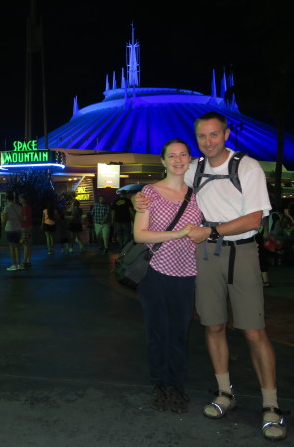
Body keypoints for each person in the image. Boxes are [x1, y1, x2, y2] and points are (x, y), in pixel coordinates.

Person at [135, 111, 287, 441]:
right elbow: (167, 177)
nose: (208, 142)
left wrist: (212, 230)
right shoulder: (194, 167)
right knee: (213, 325)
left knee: (253, 331)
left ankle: (271, 405)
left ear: (226, 134)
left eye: (214, 135)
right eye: (202, 137)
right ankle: (224, 393)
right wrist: (137, 196)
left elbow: (254, 219)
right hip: (203, 257)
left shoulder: (246, 166)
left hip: (241, 251)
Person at [133, 139, 202, 413]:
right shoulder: (150, 192)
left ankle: (177, 384)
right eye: (171, 156)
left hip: (187, 272)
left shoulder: (198, 194)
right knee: (158, 332)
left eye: (182, 154)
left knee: (179, 332)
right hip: (155, 272)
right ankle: (159, 384)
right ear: (162, 161)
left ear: (190, 159)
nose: (177, 160)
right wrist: (179, 233)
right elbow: (139, 234)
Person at [2, 191, 23, 271]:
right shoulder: (19, 206)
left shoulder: (7, 207)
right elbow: (21, 218)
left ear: (7, 198)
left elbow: (5, 219)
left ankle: (13, 264)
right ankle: (19, 264)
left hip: (10, 228)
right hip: (18, 228)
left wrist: (3, 218)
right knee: (17, 247)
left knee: (12, 247)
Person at [19, 194, 33, 268]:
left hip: (25, 227)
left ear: (25, 199)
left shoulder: (25, 208)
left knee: (25, 245)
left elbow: (25, 219)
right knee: (28, 245)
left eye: (21, 198)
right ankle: (28, 261)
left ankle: (24, 262)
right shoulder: (29, 207)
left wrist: (18, 217)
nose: (19, 200)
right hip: (29, 227)